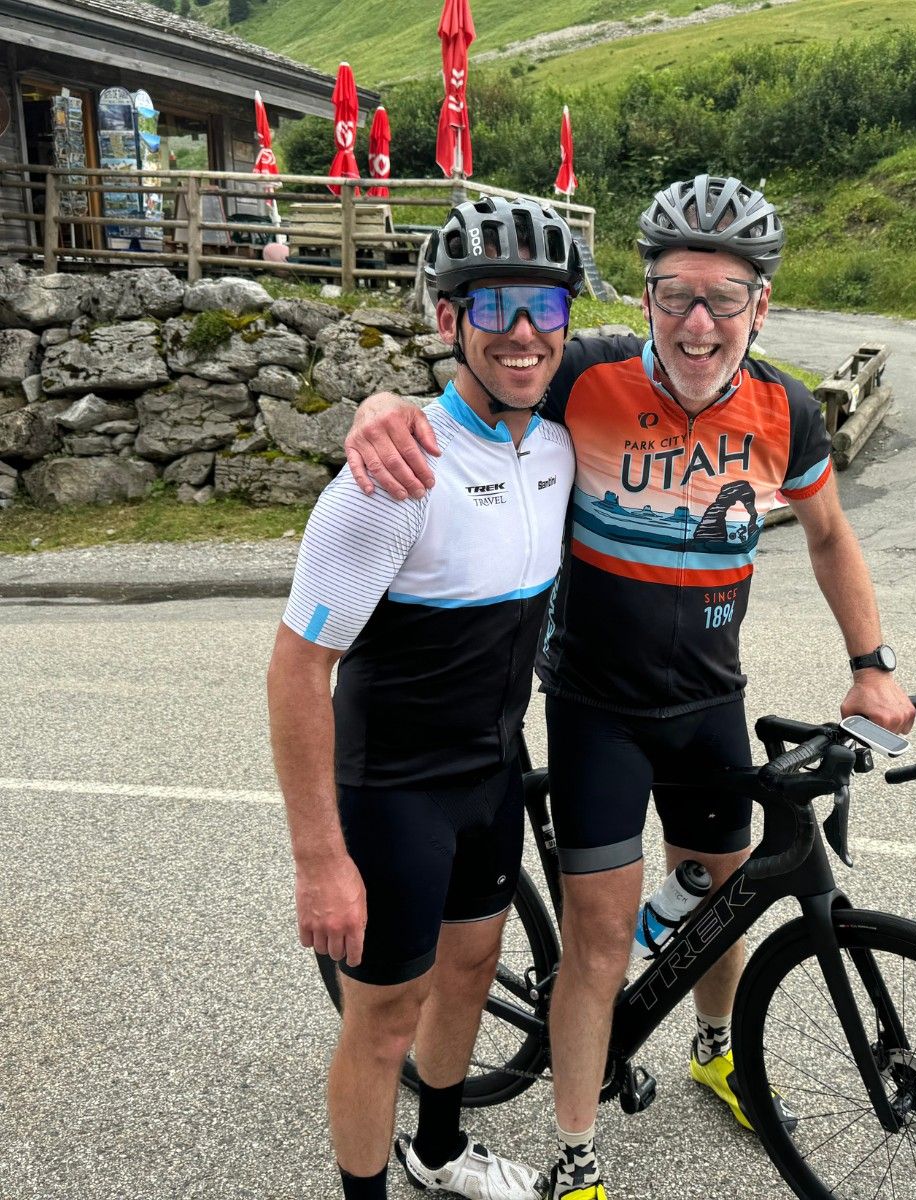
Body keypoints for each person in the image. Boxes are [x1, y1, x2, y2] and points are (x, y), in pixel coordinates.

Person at [343, 175, 915, 1200]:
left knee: (726, 901)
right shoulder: (584, 374)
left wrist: (870, 666)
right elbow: (475, 385)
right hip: (596, 708)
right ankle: (576, 1153)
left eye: (724, 298)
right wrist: (380, 406)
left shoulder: (784, 408)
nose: (699, 323)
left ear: (760, 306)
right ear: (645, 298)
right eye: (677, 295)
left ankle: (715, 1051)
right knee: (601, 940)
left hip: (709, 698)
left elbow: (830, 534)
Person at [267, 195, 584, 1200]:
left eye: (544, 305)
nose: (523, 331)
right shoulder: (391, 477)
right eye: (494, 305)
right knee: (383, 1021)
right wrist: (320, 861)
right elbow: (296, 669)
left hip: (492, 773)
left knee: (471, 971)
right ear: (449, 320)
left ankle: (439, 1151)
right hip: (393, 793)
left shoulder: (557, 443)